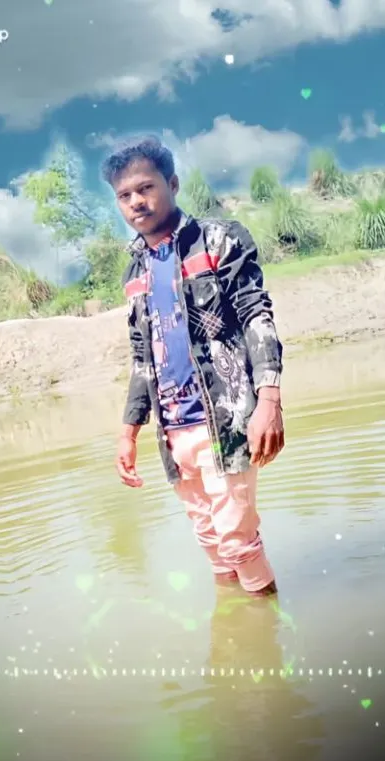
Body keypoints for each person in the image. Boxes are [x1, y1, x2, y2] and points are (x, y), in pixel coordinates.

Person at [101, 135, 284, 597]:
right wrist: (129, 432)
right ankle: (233, 629)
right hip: (172, 431)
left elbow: (255, 314)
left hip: (224, 420)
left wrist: (270, 399)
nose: (136, 202)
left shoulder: (220, 239)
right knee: (210, 540)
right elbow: (143, 356)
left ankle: (266, 639)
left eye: (145, 188)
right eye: (125, 195)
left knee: (238, 541)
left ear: (173, 183)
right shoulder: (134, 273)